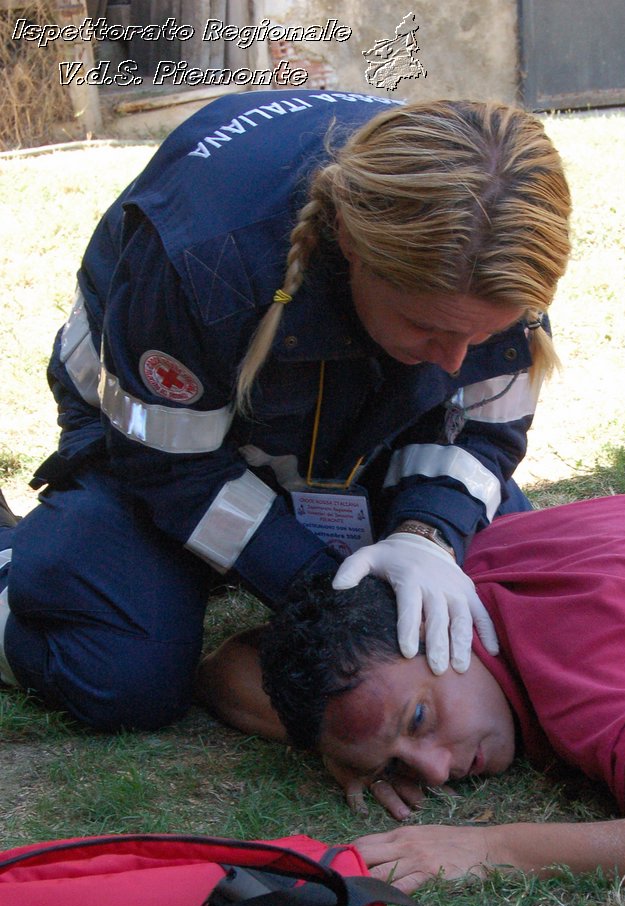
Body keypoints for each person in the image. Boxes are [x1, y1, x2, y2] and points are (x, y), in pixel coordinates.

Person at [0, 92, 571, 729]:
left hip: (348, 438)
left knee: (516, 602)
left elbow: (484, 428)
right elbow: (172, 468)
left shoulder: (496, 241)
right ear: (351, 245)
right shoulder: (206, 258)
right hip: (151, 448)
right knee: (124, 676)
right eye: (427, 326)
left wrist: (426, 536)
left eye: (485, 336)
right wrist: (322, 587)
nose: (454, 360)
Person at [198, 472, 625, 895]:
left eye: (420, 721)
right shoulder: (473, 555)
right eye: (399, 765)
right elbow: (228, 670)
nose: (433, 772)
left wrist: (490, 849)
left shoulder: (585, 675)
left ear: (428, 624)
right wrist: (357, 746)